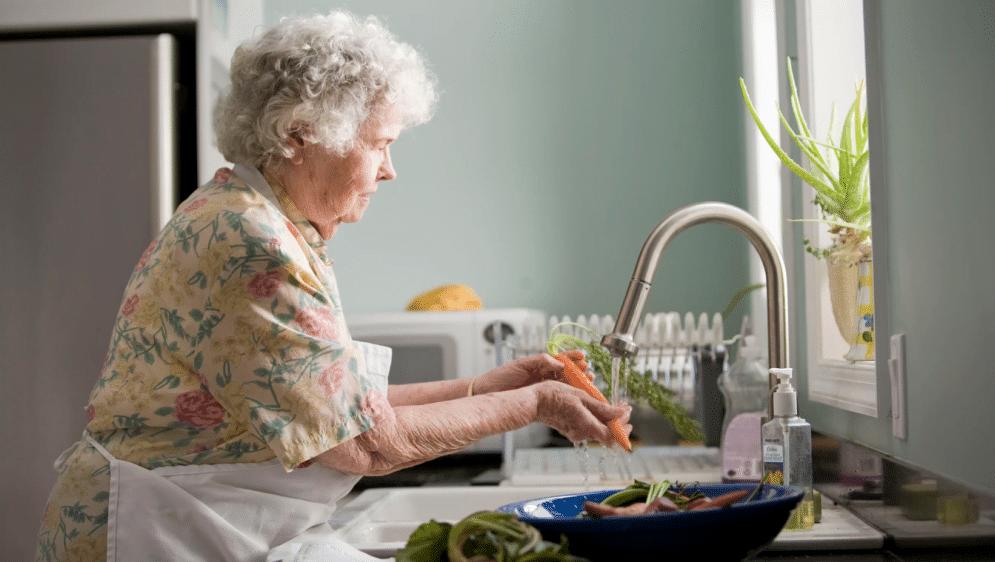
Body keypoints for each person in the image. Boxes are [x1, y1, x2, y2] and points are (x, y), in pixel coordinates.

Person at [35, 11, 631, 562]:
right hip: (153, 534)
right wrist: (534, 403)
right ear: (299, 136)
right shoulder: (251, 243)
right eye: (380, 144)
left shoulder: (256, 219)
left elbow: (337, 409)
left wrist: (491, 384)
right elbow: (366, 444)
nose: (390, 169)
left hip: (197, 521)